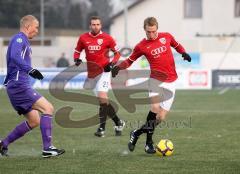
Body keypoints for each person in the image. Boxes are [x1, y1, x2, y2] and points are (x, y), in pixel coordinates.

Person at [111, 17, 191, 154]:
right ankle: (149, 143)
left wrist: (183, 52)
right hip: (155, 80)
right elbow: (130, 61)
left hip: (171, 81)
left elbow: (176, 45)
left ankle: (136, 133)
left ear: (157, 29)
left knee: (160, 118)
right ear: (145, 30)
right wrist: (118, 67)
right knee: (154, 107)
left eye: (153, 31)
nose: (151, 34)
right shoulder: (141, 46)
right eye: (148, 32)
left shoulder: (166, 37)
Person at [0, 15, 65, 158]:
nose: (37, 31)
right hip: (19, 86)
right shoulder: (19, 39)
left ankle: (3, 143)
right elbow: (14, 56)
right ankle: (47, 148)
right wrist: (30, 70)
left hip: (17, 86)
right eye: (36, 27)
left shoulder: (24, 41)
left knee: (34, 120)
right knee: (48, 108)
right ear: (28, 26)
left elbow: (15, 60)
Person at [73, 16, 125, 137]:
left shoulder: (107, 38)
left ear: (100, 26)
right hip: (92, 74)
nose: (95, 26)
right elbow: (77, 50)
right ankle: (118, 122)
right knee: (104, 102)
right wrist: (76, 59)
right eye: (93, 24)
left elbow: (117, 54)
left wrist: (111, 64)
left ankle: (101, 129)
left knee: (102, 97)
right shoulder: (83, 38)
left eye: (97, 24)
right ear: (90, 25)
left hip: (104, 72)